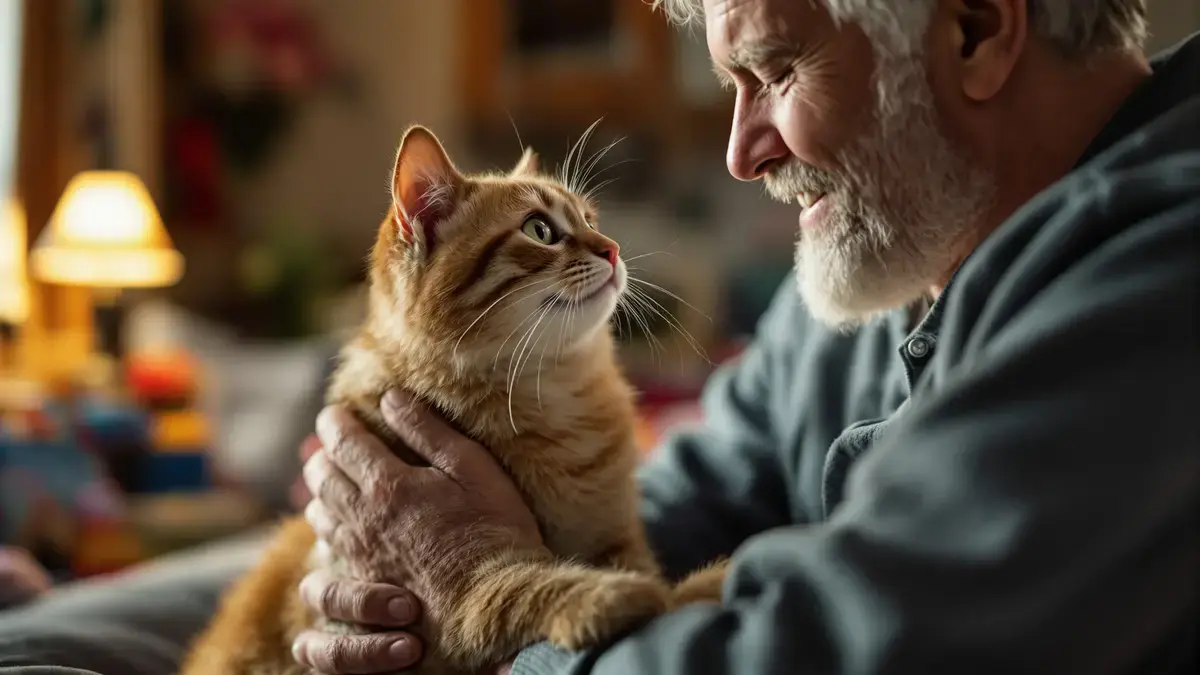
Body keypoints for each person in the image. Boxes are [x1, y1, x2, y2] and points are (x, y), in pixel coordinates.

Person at [291, 1, 1199, 674]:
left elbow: (834, 655)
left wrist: (483, 594)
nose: (740, 152)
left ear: (975, 29)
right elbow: (683, 500)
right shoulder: (897, 248)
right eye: (731, 87)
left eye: (776, 72)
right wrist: (396, 576)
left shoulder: (1157, 282)